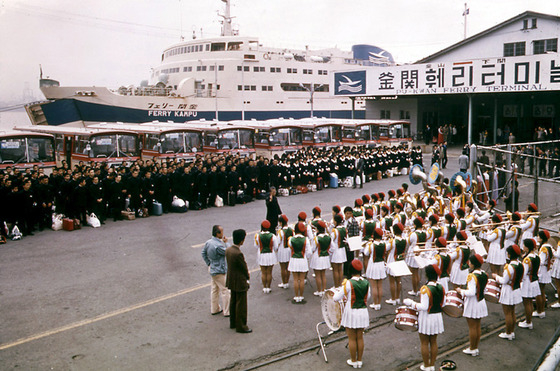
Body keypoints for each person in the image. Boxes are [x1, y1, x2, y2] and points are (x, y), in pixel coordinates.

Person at [404, 264, 445, 371]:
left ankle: (426, 365)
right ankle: (432, 364)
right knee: (434, 341)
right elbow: (443, 303)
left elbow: (424, 307)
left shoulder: (425, 289)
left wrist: (411, 303)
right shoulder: (441, 287)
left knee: (424, 342)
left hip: (427, 317)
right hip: (437, 317)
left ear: (427, 275)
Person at [333, 259, 370, 369]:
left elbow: (336, 298)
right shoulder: (366, 282)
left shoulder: (348, 283)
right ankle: (359, 360)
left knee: (352, 338)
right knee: (360, 337)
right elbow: (368, 297)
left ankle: (353, 360)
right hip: (363, 311)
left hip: (351, 311)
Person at [456, 254, 488, 357]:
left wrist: (460, 290)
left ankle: (472, 348)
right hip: (481, 301)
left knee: (472, 327)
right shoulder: (484, 274)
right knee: (477, 326)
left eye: (470, 262)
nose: (468, 263)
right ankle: (475, 347)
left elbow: (471, 292)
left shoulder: (472, 276)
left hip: (473, 302)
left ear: (473, 264)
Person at [492, 244, 523, 340]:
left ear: (509, 254)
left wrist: (495, 277)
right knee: (512, 312)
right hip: (516, 289)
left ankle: (508, 333)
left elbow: (504, 281)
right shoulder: (520, 264)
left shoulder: (509, 267)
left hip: (508, 290)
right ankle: (511, 331)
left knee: (508, 313)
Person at [226, 229, 252, 333]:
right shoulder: (238, 254)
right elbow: (244, 268)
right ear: (242, 240)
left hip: (231, 279)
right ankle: (241, 326)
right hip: (239, 280)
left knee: (233, 301)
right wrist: (247, 277)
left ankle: (233, 322)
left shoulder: (228, 250)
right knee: (241, 304)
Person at [201, 225, 230, 317]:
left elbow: (203, 253)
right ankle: (227, 311)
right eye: (221, 232)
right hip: (219, 270)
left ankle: (215, 308)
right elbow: (228, 252)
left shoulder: (209, 242)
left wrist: (209, 263)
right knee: (225, 290)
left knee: (214, 289)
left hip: (212, 267)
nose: (223, 233)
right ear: (218, 233)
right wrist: (226, 243)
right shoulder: (218, 246)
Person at [519, 238, 540, 329]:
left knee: (527, 303)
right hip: (534, 280)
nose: (523, 247)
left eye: (524, 245)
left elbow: (524, 273)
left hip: (528, 282)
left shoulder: (527, 259)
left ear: (527, 247)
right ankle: (528, 320)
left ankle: (528, 322)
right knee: (530, 302)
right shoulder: (536, 256)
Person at [288, 222, 311, 303]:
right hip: (302, 260)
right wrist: (305, 257)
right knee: (301, 279)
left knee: (295, 279)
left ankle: (296, 296)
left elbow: (290, 249)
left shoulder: (291, 239)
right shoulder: (306, 239)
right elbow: (309, 252)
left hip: (294, 259)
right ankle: (301, 296)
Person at [254, 220, 278, 293]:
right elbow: (276, 247)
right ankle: (269, 287)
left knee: (263, 272)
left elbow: (256, 246)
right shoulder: (273, 236)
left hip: (261, 254)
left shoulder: (258, 236)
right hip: (270, 254)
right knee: (269, 272)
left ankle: (264, 287)